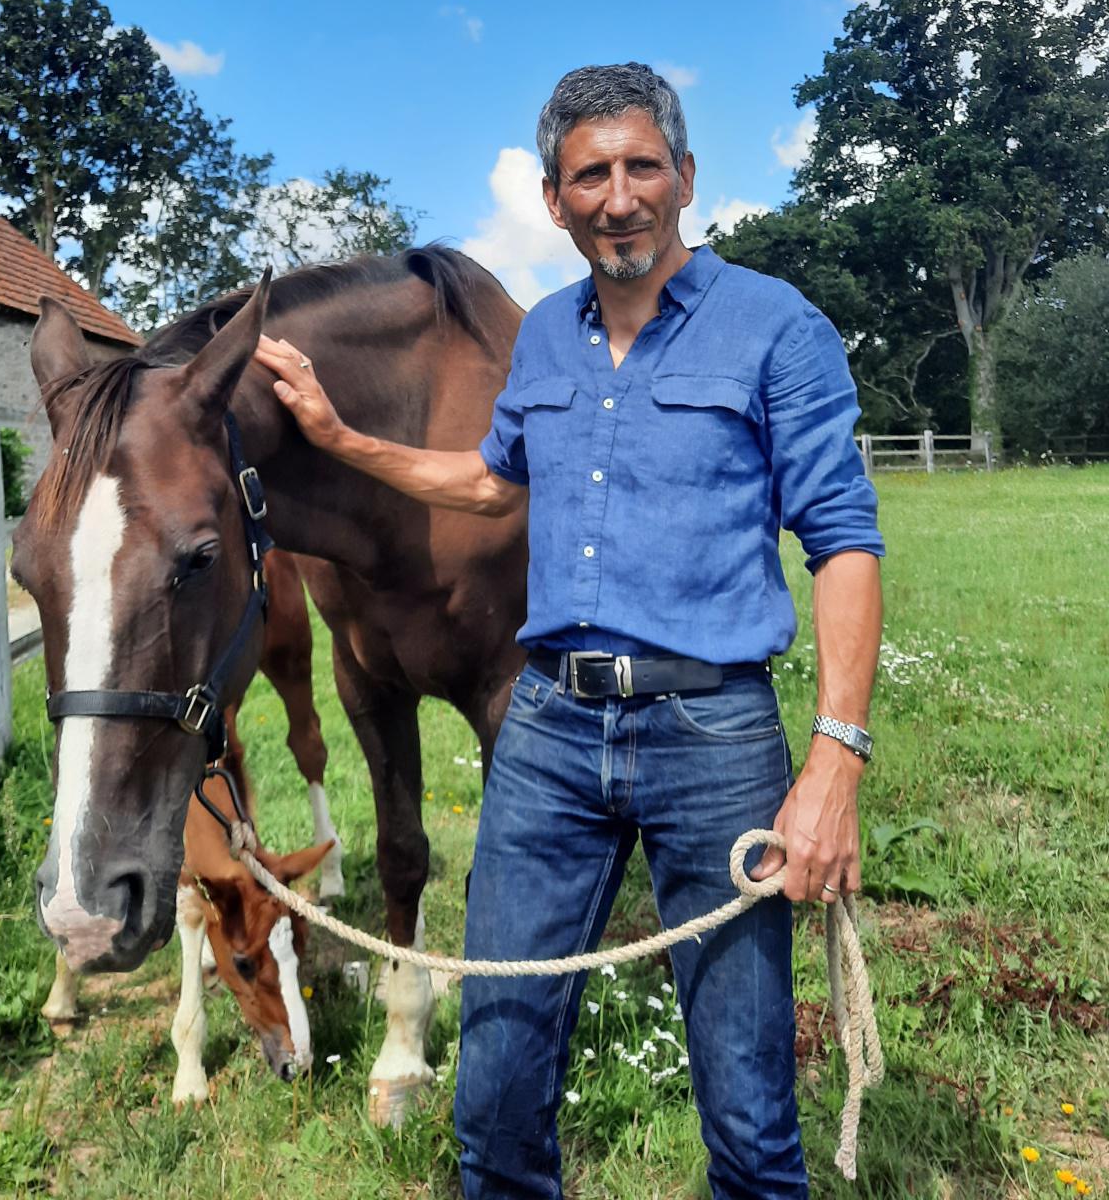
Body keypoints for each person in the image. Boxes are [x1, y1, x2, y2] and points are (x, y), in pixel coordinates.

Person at [254, 62, 884, 1199]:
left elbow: (841, 539)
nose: (620, 195)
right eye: (590, 174)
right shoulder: (544, 337)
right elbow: (495, 485)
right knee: (492, 1093)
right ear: (555, 199)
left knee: (747, 1107)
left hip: (715, 732)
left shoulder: (775, 327)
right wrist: (342, 441)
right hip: (547, 730)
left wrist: (835, 753)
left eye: (643, 166)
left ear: (686, 178)